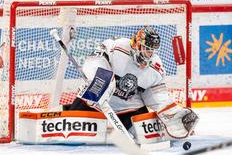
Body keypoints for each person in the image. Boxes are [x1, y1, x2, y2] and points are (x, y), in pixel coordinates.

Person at [63, 26, 199, 141]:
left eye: (152, 50)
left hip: (128, 109)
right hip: (95, 102)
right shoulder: (118, 47)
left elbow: (158, 98)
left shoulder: (155, 68)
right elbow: (94, 60)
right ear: (136, 43)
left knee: (150, 136)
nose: (149, 54)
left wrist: (174, 114)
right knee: (68, 130)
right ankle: (66, 111)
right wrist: (99, 82)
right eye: (146, 48)